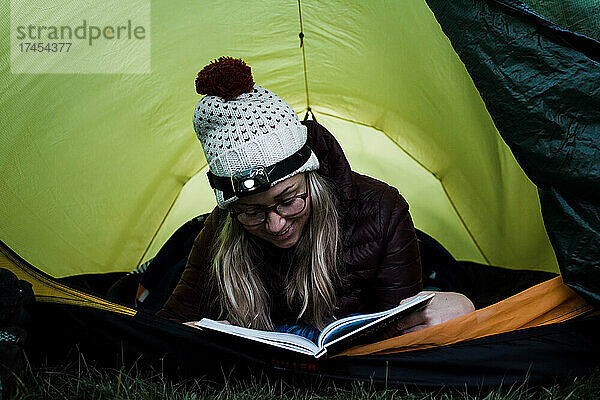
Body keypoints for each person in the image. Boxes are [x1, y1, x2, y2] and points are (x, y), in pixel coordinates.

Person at [157, 56, 473, 340]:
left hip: (351, 348)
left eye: (289, 199)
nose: (276, 224)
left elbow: (402, 326)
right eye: (253, 212)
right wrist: (191, 335)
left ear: (312, 177)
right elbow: (164, 330)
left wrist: (443, 307)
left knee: (455, 305)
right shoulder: (220, 229)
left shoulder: (382, 210)